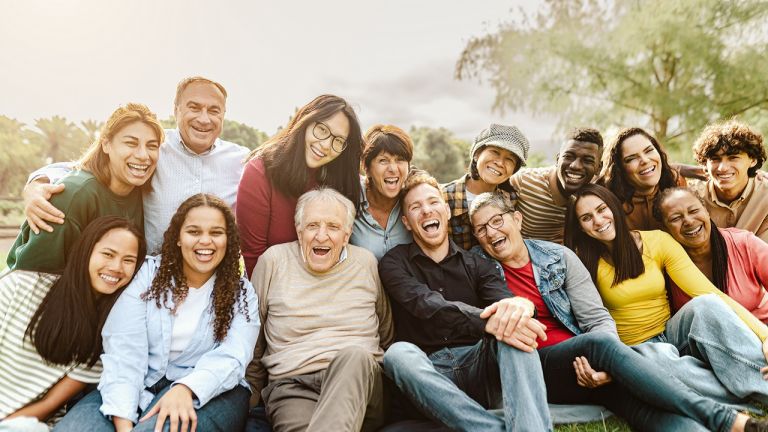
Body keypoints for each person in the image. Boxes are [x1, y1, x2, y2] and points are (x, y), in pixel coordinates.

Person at [469, 190, 764, 431]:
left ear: (517, 219)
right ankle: (725, 418)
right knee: (629, 360)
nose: (490, 232)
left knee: (638, 406)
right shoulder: (478, 269)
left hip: (595, 357)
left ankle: (746, 422)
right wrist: (606, 359)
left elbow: (596, 318)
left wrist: (603, 367)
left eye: (497, 220)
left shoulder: (558, 257)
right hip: (554, 362)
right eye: (481, 228)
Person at [55, 194, 259, 432]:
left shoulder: (241, 292)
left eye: (216, 233)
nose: (206, 241)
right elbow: (125, 348)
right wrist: (123, 422)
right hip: (138, 382)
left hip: (211, 390)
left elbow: (233, 356)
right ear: (178, 238)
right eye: (194, 232)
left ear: (228, 240)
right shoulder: (148, 275)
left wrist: (186, 388)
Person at [380, 170, 553, 431]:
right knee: (397, 354)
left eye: (433, 202)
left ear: (447, 211)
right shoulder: (394, 262)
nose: (426, 211)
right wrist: (485, 322)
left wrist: (519, 307)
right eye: (416, 207)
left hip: (480, 365)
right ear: (406, 222)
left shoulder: (479, 263)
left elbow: (505, 303)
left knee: (513, 329)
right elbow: (424, 302)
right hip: (429, 373)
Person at [565, 184, 768, 404]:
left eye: (602, 209)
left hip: (672, 333)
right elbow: (587, 321)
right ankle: (737, 399)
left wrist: (765, 336)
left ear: (613, 207)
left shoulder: (657, 241)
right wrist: (614, 365)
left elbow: (708, 291)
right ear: (581, 227)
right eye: (586, 218)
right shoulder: (580, 261)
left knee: (706, 304)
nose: (598, 220)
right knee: (663, 361)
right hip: (634, 350)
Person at [22, 76, 249, 254]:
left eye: (213, 110)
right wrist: (36, 185)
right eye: (194, 107)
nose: (204, 118)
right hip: (149, 277)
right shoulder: (153, 148)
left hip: (213, 281)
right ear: (176, 110)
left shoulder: (242, 161)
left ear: (224, 115)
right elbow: (86, 166)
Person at [246, 188, 393, 431]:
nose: (321, 236)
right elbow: (252, 337)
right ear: (299, 230)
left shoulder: (365, 263)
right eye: (313, 225)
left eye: (333, 227)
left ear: (346, 236)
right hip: (292, 386)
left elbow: (386, 331)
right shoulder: (273, 262)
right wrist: (249, 400)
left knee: (354, 356)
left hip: (359, 382)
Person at [0, 217, 145, 424]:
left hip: (23, 424)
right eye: (107, 254)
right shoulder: (21, 286)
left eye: (128, 260)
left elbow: (48, 405)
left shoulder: (106, 334)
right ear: (86, 252)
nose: (116, 267)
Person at [7, 103, 162, 272]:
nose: (143, 155)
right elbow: (33, 277)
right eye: (131, 143)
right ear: (106, 144)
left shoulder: (145, 190)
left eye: (152, 146)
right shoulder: (73, 195)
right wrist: (35, 184)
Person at [237, 95, 364, 276]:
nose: (327, 145)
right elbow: (254, 258)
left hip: (332, 284)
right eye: (322, 130)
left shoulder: (343, 180)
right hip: (276, 288)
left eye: (338, 141)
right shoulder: (260, 172)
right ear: (305, 123)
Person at [655, 187, 768, 320]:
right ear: (664, 228)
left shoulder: (744, 243)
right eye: (675, 218)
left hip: (761, 331)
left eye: (694, 211)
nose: (689, 221)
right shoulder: (663, 267)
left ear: (707, 211)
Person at [442, 123, 528, 250]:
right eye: (495, 152)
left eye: (510, 159)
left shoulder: (511, 199)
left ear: (513, 170)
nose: (500, 163)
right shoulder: (444, 197)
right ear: (476, 155)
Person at [511, 127, 603, 244]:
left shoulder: (597, 198)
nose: (576, 166)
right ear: (558, 159)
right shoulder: (523, 181)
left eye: (587, 160)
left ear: (598, 168)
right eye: (569, 156)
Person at [690, 120, 768, 243]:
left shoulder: (765, 195)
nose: (722, 168)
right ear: (705, 163)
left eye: (733, 158)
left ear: (752, 160)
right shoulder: (692, 196)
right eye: (715, 159)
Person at [599, 127, 685, 231]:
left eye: (649, 150)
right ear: (619, 169)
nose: (645, 160)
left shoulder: (677, 184)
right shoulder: (606, 202)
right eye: (631, 158)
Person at [350, 124, 413, 260]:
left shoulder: (414, 198)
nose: (393, 169)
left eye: (400, 160)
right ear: (366, 168)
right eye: (383, 160)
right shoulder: (349, 197)